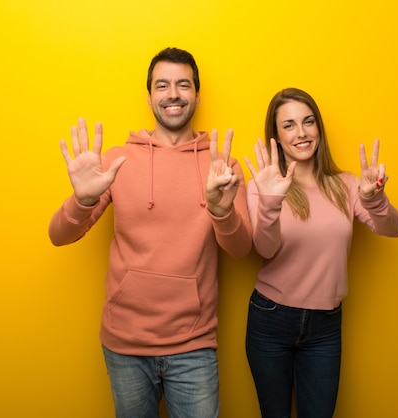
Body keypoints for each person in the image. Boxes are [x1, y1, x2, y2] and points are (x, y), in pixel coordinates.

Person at [48, 47, 252, 418]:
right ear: (150, 97)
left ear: (197, 95)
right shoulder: (115, 160)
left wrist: (222, 212)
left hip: (194, 346)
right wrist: (82, 199)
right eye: (162, 85)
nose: (173, 93)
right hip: (125, 345)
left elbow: (241, 250)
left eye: (182, 85)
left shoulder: (221, 163)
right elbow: (58, 236)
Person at [243, 87, 398, 418]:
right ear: (275, 136)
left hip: (325, 326)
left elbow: (392, 228)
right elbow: (265, 248)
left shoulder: (346, 184)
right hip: (271, 319)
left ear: (319, 129)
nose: (301, 133)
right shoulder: (262, 185)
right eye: (288, 125)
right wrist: (271, 203)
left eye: (308, 122)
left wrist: (375, 200)